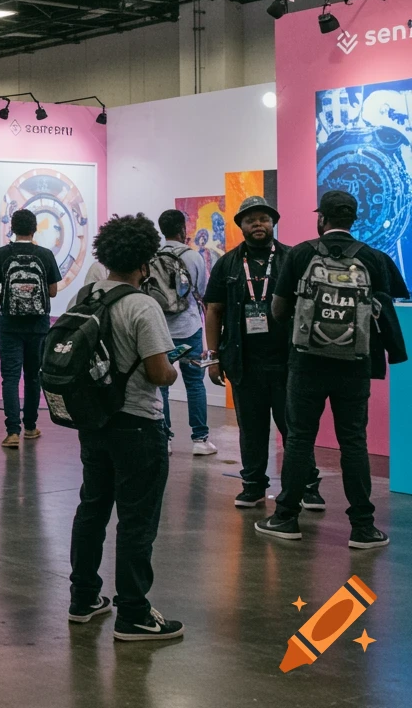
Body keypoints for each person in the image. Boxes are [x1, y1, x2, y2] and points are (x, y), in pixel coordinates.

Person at [256, 190, 399, 549]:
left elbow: (277, 309)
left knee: (300, 438)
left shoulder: (301, 253)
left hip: (306, 362)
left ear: (323, 219)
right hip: (354, 365)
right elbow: (384, 306)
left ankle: (286, 517)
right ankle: (363, 528)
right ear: (353, 219)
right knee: (353, 441)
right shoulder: (373, 258)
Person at [67, 214, 184, 642]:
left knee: (92, 508)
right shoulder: (142, 305)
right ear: (145, 260)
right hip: (138, 424)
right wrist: (174, 368)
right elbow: (158, 373)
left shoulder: (85, 295)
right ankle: (133, 612)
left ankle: (83, 598)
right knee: (137, 519)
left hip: (94, 421)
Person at [203, 197, 322, 510]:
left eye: (264, 219)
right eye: (251, 220)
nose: (258, 224)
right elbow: (213, 309)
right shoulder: (227, 263)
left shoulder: (292, 258)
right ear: (241, 225)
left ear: (273, 223)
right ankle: (253, 486)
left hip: (288, 362)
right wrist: (213, 357)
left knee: (294, 428)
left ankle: (308, 485)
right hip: (244, 363)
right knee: (252, 429)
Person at [0, 208, 61, 447]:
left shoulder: (0, 254)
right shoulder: (46, 255)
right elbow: (52, 291)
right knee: (32, 377)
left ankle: (12, 432)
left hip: (9, 325)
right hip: (38, 326)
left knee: (10, 377)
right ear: (35, 228)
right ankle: (30, 427)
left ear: (12, 228)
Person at [156, 209, 215, 455]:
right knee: (194, 384)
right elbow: (201, 291)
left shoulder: (153, 256)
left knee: (161, 385)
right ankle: (200, 440)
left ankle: (165, 438)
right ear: (183, 229)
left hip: (160, 331)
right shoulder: (193, 257)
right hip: (190, 328)